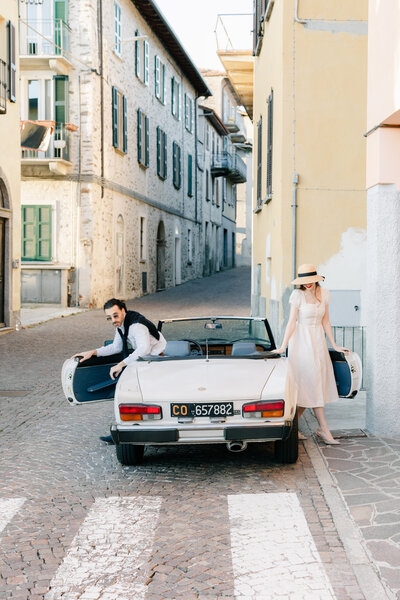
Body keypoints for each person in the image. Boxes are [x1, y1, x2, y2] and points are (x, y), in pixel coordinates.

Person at [272, 264, 348, 445]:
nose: (307, 285)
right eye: (304, 282)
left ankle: (292, 426)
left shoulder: (324, 294)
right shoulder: (297, 295)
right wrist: (283, 347)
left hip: (318, 341)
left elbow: (326, 322)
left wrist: (335, 345)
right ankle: (323, 428)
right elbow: (291, 322)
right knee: (309, 382)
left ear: (316, 279)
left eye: (310, 281)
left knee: (311, 385)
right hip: (301, 342)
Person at [74, 298, 167, 443]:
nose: (113, 320)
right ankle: (125, 431)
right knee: (132, 396)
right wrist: (92, 352)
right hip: (144, 359)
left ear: (123, 310)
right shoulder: (121, 325)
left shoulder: (136, 326)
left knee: (139, 397)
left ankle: (141, 430)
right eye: (109, 317)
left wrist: (121, 364)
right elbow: (116, 347)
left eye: (115, 315)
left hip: (156, 359)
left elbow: (144, 349)